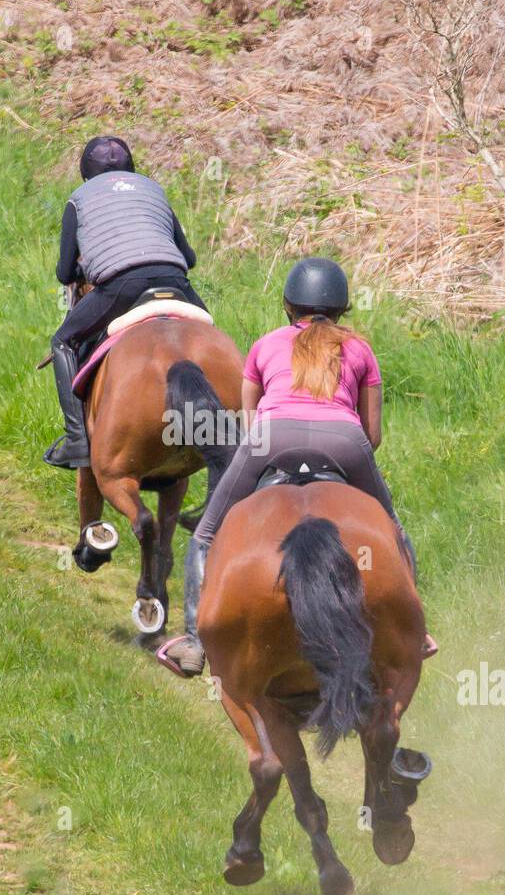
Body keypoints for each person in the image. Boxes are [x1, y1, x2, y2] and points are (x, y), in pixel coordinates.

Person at [161, 256, 437, 676]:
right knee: (393, 530)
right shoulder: (359, 348)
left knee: (206, 533)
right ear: (343, 309)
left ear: (288, 306)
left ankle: (195, 641)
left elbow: (252, 423)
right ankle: (413, 631)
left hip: (271, 439)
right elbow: (373, 433)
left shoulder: (264, 345)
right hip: (344, 441)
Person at [44, 135, 207, 468]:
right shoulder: (154, 190)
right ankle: (234, 428)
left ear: (85, 173)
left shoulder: (78, 199)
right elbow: (188, 257)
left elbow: (64, 273)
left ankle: (76, 439)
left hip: (120, 287)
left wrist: (87, 264)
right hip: (175, 280)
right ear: (133, 167)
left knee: (61, 341)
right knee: (213, 338)